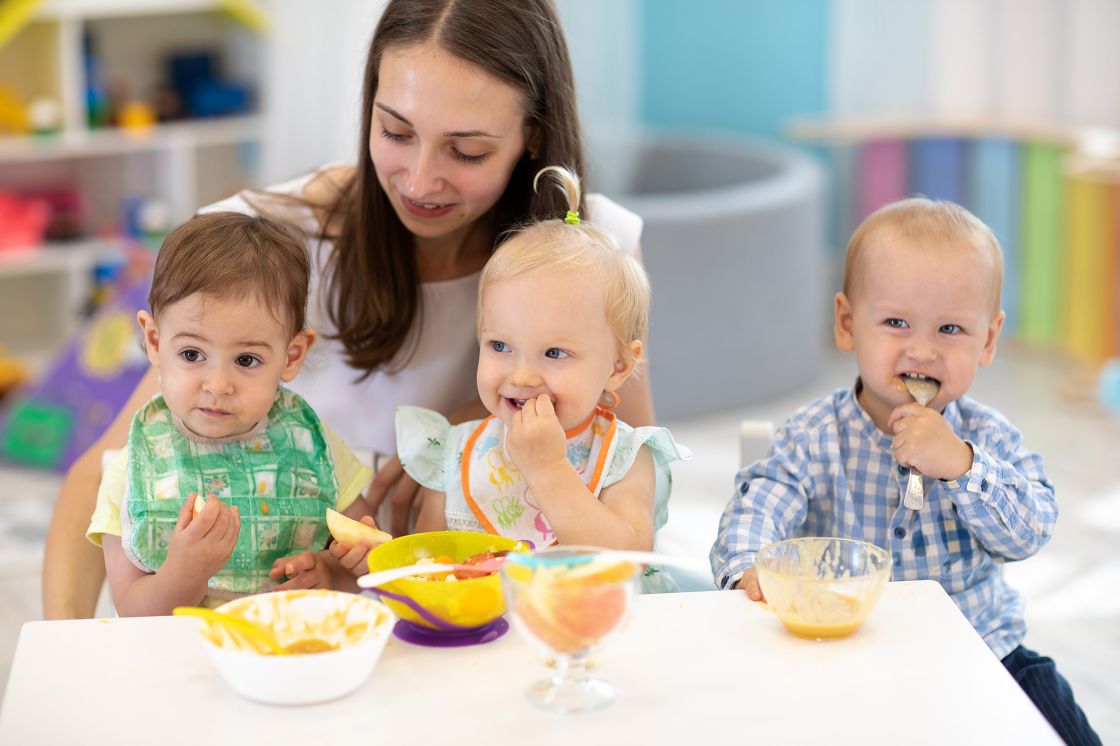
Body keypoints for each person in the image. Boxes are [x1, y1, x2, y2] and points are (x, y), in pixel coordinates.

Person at [43, 0, 655, 619]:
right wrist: (64, 656)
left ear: (534, 138)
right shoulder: (265, 244)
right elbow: (105, 475)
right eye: (395, 131)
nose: (418, 181)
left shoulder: (590, 254)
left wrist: (476, 421)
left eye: (466, 152)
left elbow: (623, 450)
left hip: (498, 605)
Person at [710, 198, 1100, 745]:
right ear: (848, 324)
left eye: (951, 329)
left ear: (987, 341)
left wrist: (962, 466)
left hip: (985, 651)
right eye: (895, 322)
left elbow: (1029, 532)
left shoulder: (988, 437)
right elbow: (760, 502)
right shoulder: (815, 435)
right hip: (846, 653)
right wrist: (750, 565)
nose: (922, 350)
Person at [85, 213, 383, 615]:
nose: (218, 384)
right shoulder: (134, 472)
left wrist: (330, 573)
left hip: (291, 654)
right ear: (154, 341)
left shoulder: (311, 446)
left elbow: (361, 562)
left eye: (246, 359)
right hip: (183, 667)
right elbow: (135, 613)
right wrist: (183, 573)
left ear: (291, 355)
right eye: (192, 354)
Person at [397, 166, 689, 570]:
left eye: (554, 353)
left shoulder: (624, 457)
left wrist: (548, 468)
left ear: (618, 365)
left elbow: (629, 561)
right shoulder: (455, 453)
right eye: (500, 345)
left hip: (595, 630)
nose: (521, 377)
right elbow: (429, 568)